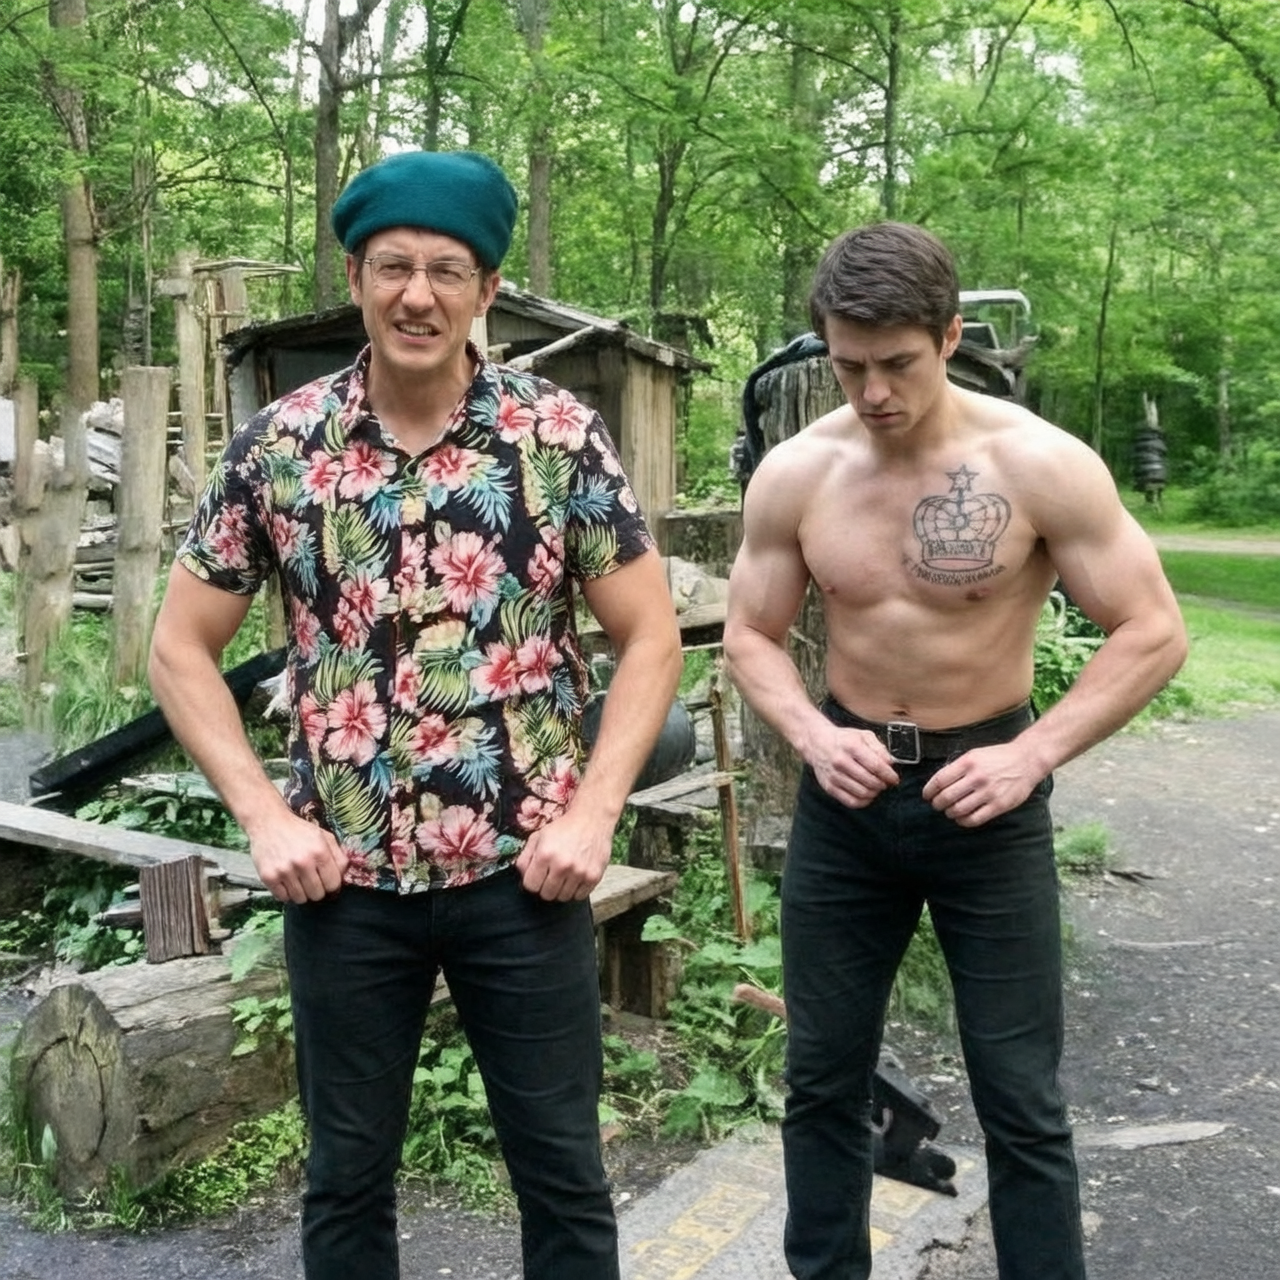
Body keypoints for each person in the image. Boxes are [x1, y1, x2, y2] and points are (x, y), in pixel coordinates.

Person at [148, 149, 683, 1280]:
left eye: (447, 271)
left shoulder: (555, 438)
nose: (418, 295)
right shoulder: (281, 447)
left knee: (563, 1173)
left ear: (487, 289)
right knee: (345, 1178)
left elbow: (648, 637)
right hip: (341, 885)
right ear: (356, 277)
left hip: (525, 875)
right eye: (393, 266)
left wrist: (594, 814)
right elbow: (179, 649)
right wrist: (263, 817)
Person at [722, 221, 1187, 1280]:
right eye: (850, 365)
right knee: (821, 1080)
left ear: (948, 337)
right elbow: (749, 632)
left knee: (1020, 1095)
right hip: (848, 803)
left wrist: (1033, 755)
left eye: (898, 363)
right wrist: (810, 733)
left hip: (989, 796)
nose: (874, 391)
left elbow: (1152, 629)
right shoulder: (798, 471)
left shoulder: (1037, 463)